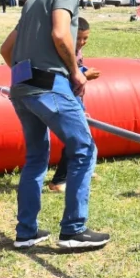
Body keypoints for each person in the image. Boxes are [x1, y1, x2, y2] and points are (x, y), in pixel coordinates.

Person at [0, 0, 109, 250]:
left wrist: (26, 77)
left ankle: (26, 232)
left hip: (22, 87)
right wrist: (76, 73)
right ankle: (74, 230)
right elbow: (61, 34)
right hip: (50, 85)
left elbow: (6, 49)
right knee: (84, 148)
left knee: (36, 158)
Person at [50, 18, 102, 192]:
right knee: (76, 139)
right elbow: (65, 78)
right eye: (78, 38)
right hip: (66, 99)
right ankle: (59, 180)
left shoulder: (77, 52)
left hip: (77, 98)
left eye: (85, 38)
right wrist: (84, 74)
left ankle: (87, 167)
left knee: (84, 136)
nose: (81, 42)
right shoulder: (65, 51)